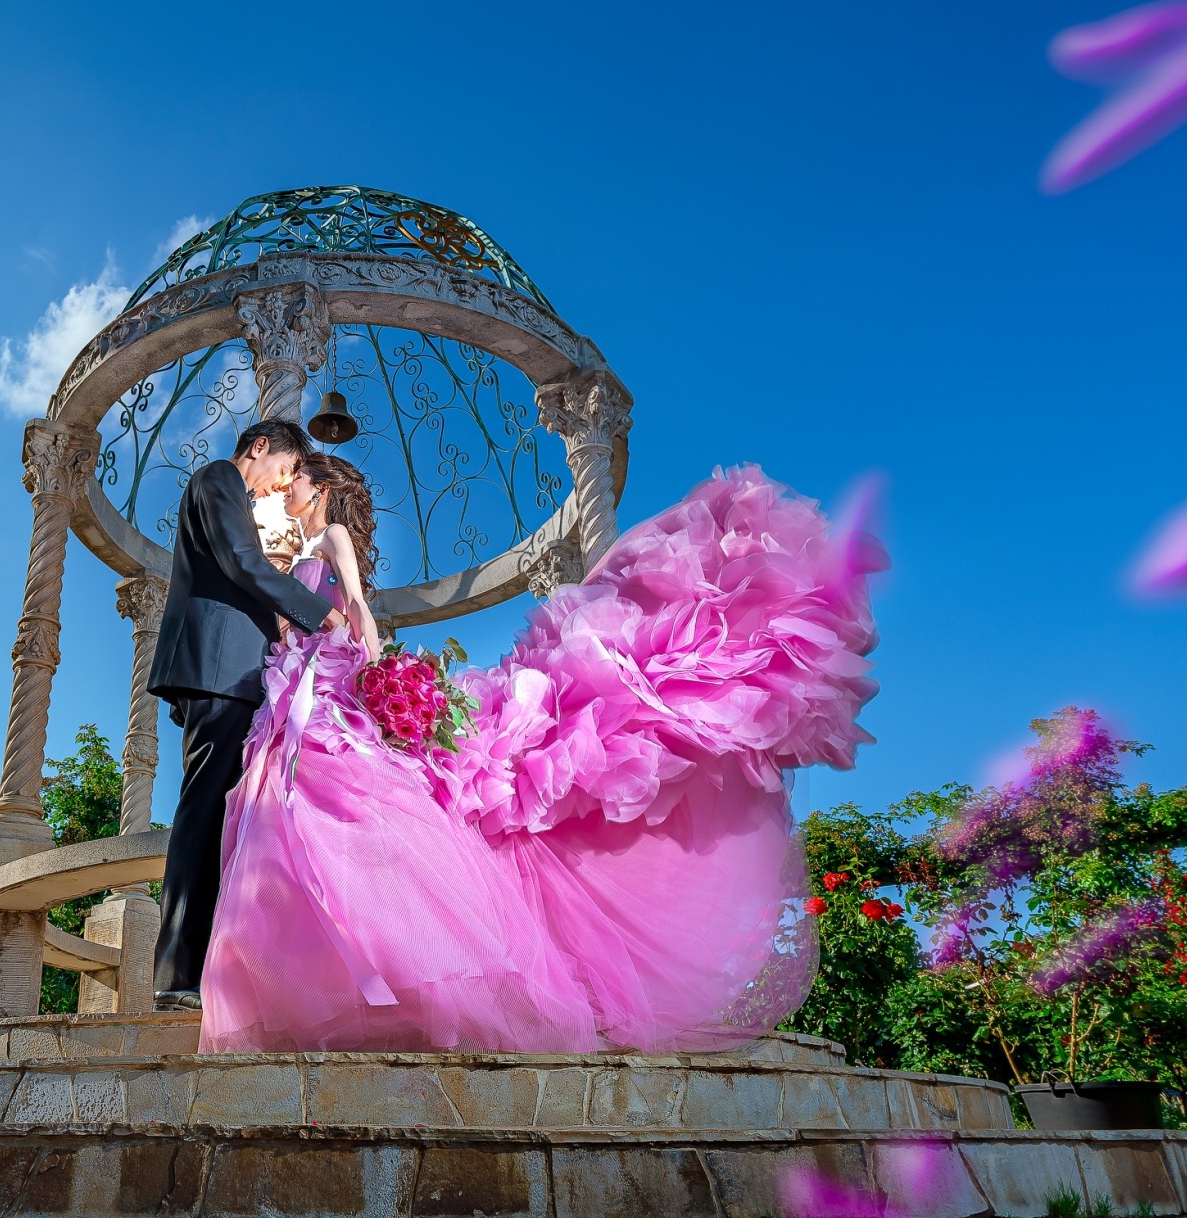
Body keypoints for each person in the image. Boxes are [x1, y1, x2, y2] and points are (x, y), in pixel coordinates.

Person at [199, 458, 883, 1054]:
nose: (287, 489)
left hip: (333, 681)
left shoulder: (332, 536)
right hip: (301, 687)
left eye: (296, 480)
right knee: (298, 816)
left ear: (318, 487)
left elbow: (355, 607)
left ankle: (388, 966)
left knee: (344, 802)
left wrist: (378, 671)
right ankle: (315, 968)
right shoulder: (296, 552)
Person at [146, 420, 348, 1011]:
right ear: (259, 447)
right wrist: (320, 613)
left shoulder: (233, 489)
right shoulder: (217, 478)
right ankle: (176, 973)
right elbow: (240, 559)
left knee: (227, 816)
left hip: (233, 669)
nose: (276, 488)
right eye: (282, 471)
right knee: (204, 812)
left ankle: (210, 968)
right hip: (215, 665)